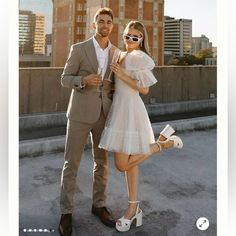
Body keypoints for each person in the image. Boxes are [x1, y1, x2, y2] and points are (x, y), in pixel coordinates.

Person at [99, 21, 183, 232]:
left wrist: (122, 75)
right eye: (128, 36)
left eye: (135, 37)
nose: (130, 40)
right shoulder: (121, 55)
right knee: (130, 164)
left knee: (121, 165)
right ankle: (133, 210)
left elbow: (144, 90)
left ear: (141, 39)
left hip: (131, 111)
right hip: (119, 110)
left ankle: (163, 144)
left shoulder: (139, 58)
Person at [58, 7, 117, 236]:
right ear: (94, 25)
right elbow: (64, 79)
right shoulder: (79, 49)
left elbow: (114, 84)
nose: (104, 25)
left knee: (102, 163)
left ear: (112, 26)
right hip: (80, 114)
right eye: (100, 21)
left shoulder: (116, 53)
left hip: (104, 114)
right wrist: (83, 80)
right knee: (70, 165)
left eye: (108, 22)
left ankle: (98, 205)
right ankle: (66, 212)